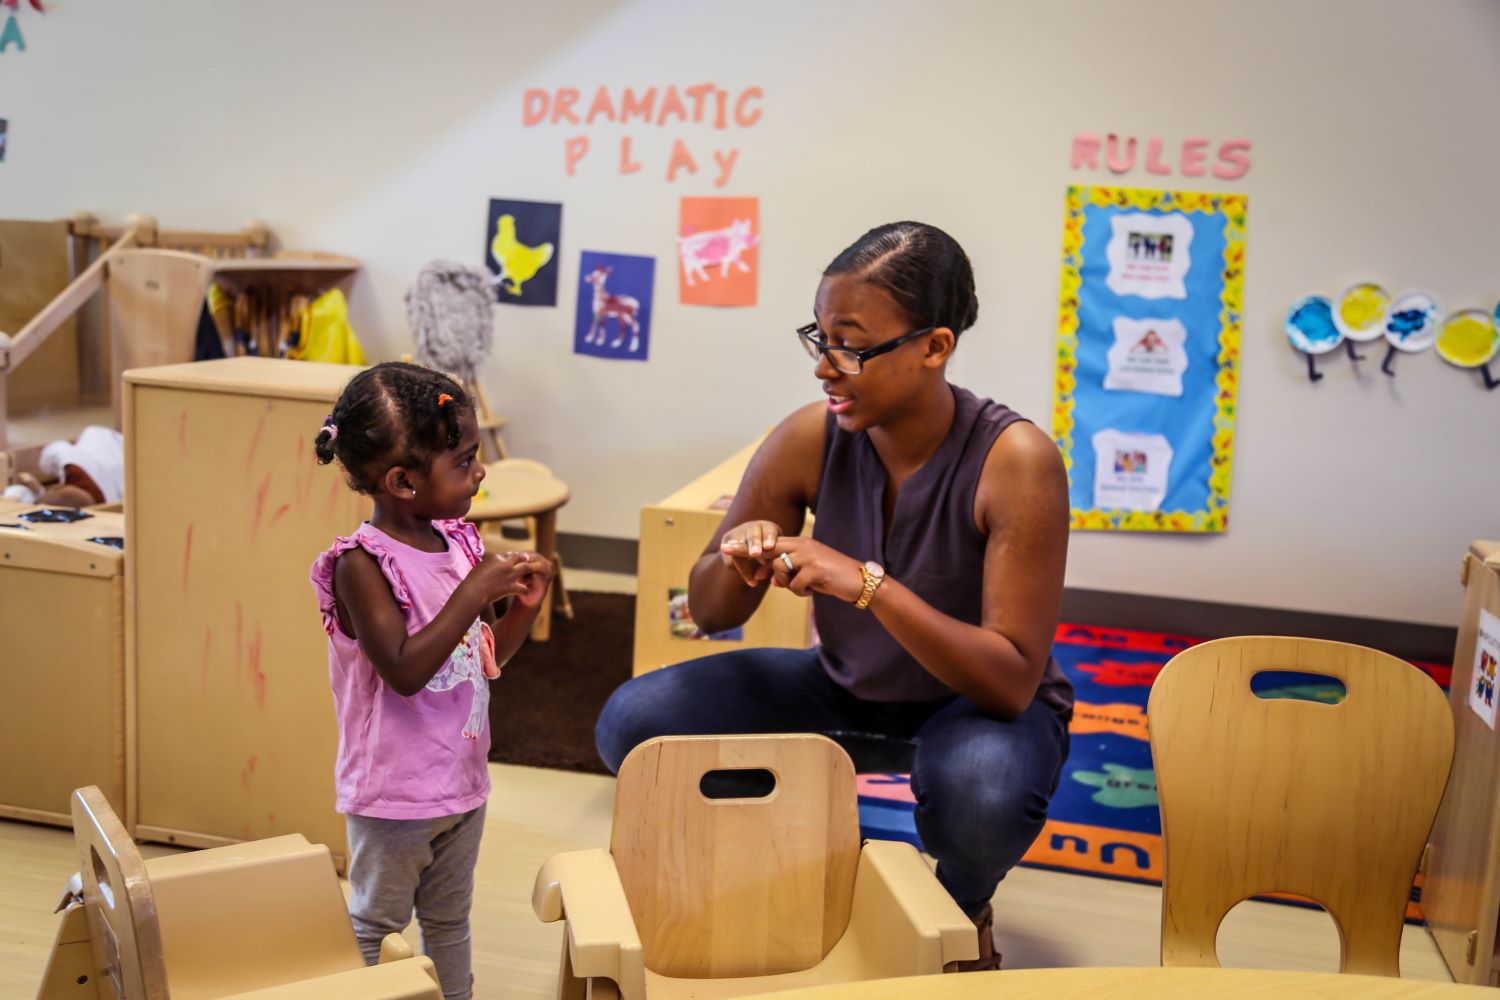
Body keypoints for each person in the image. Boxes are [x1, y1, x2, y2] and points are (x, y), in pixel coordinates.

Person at [595, 222, 1073, 971]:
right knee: (635, 724)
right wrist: (737, 555)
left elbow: (1011, 681)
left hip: (972, 706)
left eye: (850, 344)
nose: (825, 367)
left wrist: (867, 584)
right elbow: (709, 612)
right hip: (845, 688)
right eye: (817, 339)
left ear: (934, 347)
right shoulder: (809, 438)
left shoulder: (1016, 461)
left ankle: (959, 911)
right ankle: (794, 873)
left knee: (982, 796)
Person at [308, 361, 552, 1000]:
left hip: (461, 784)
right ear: (402, 482)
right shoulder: (362, 565)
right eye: (464, 460)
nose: (479, 472)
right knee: (376, 925)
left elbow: (485, 653)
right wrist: (474, 593)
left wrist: (523, 604)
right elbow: (405, 670)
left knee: (449, 919)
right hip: (393, 794)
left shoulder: (459, 541)